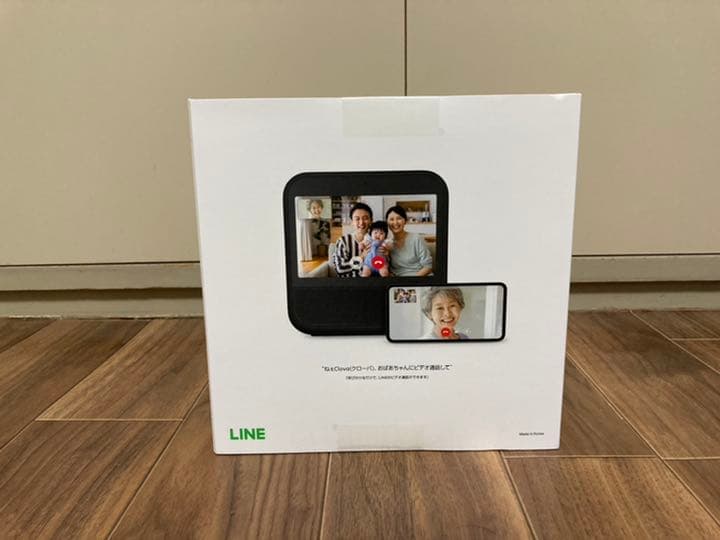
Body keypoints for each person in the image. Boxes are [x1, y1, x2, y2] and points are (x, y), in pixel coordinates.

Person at [384, 206, 433, 277]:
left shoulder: (416, 238)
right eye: (391, 219)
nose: (395, 222)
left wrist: (410, 281)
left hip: (421, 278)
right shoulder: (387, 244)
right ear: (387, 223)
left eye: (399, 218)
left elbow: (428, 266)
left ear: (405, 221)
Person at [332, 202, 374, 278]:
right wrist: (361, 257)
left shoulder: (375, 240)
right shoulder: (343, 241)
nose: (361, 222)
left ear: (371, 220)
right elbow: (340, 269)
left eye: (365, 218)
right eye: (357, 219)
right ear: (352, 222)